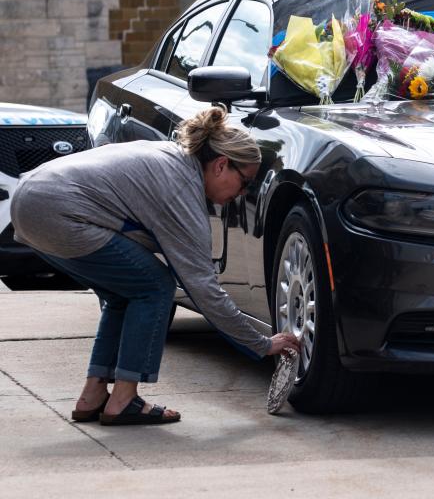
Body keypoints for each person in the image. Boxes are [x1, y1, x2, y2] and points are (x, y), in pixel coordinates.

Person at [10, 105, 300, 424]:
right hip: (59, 213)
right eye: (245, 182)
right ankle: (123, 400)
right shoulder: (181, 192)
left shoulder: (171, 158)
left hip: (28, 201)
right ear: (221, 165)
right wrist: (261, 344)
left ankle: (93, 396)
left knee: (125, 293)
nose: (241, 194)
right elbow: (204, 290)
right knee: (155, 287)